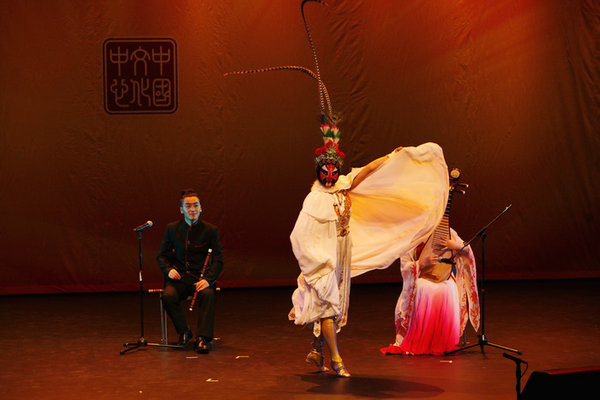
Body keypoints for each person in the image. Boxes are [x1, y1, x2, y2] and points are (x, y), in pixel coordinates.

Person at [289, 127, 450, 376]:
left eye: (334, 170)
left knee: (331, 305)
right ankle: (336, 360)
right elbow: (301, 234)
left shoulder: (342, 185)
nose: (330, 175)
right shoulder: (315, 199)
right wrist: (317, 260)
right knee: (329, 306)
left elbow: (366, 172)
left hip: (342, 253)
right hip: (323, 258)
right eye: (325, 171)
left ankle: (317, 350)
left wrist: (391, 157)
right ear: (318, 172)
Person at [380, 228, 480, 355]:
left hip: (444, 280)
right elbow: (405, 266)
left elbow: (466, 250)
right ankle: (420, 340)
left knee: (450, 286)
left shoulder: (447, 231)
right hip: (422, 281)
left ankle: (442, 341)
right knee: (424, 287)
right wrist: (421, 264)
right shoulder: (415, 234)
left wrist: (455, 246)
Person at [157, 189, 223, 353]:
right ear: (181, 209)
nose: (192, 209)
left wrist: (208, 279)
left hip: (200, 279)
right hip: (179, 279)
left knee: (208, 294)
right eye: (188, 206)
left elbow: (218, 260)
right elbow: (162, 257)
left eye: (196, 205)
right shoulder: (172, 229)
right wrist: (168, 270)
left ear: (201, 208)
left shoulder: (210, 230)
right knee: (168, 296)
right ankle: (184, 332)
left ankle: (203, 338)